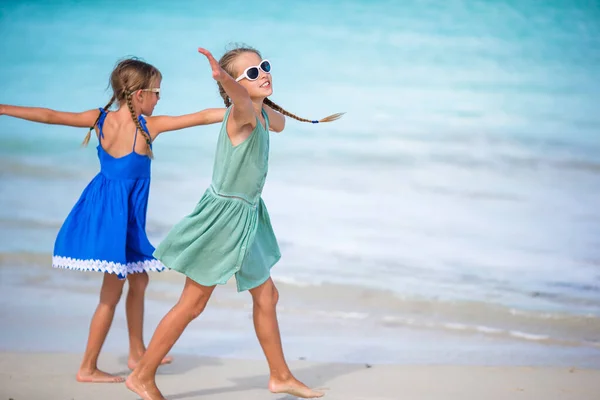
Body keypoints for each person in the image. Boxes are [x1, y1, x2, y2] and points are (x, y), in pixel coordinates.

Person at [126, 46, 343, 399]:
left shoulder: (259, 114)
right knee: (192, 303)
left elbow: (281, 123)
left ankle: (280, 376)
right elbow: (242, 99)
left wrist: (254, 91)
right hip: (223, 219)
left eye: (265, 66)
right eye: (253, 72)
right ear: (234, 88)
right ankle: (142, 375)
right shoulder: (240, 115)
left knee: (267, 295)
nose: (264, 74)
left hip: (250, 216)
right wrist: (226, 80)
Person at [0, 58, 226, 383]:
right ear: (138, 95)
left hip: (112, 213)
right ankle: (87, 367)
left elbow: (50, 116)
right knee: (111, 292)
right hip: (114, 221)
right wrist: (245, 108)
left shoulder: (99, 119)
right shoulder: (150, 127)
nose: (160, 99)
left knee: (140, 279)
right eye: (157, 92)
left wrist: (5, 108)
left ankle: (137, 353)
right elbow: (203, 117)